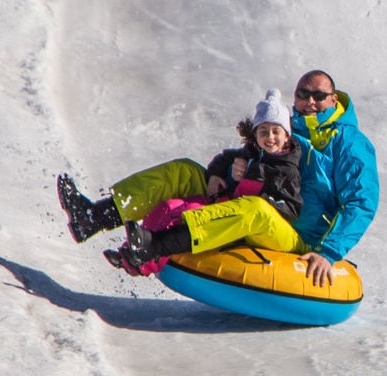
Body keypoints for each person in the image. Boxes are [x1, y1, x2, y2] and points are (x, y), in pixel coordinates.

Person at [57, 71, 379, 286]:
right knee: (184, 171)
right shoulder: (282, 128)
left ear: (333, 100)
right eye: (303, 93)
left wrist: (329, 252)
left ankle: (155, 245)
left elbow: (361, 203)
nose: (311, 101)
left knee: (255, 209)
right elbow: (248, 161)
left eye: (319, 96)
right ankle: (94, 216)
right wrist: (223, 174)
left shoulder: (348, 144)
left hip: (296, 236)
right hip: (253, 209)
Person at [99, 88, 306, 272]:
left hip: (255, 224)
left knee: (198, 214)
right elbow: (225, 158)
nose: (270, 137)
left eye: (276, 132)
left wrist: (258, 188)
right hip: (229, 208)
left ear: (286, 136)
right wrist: (218, 175)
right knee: (171, 207)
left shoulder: (286, 169)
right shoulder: (250, 153)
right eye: (263, 131)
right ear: (255, 135)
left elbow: (290, 208)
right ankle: (129, 251)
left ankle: (149, 253)